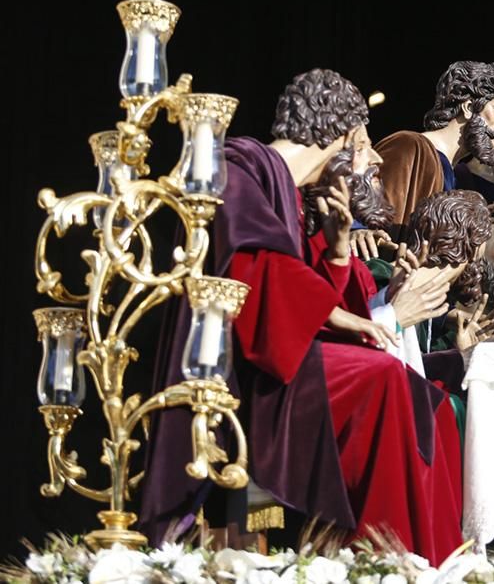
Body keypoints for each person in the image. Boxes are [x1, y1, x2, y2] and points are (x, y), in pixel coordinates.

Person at [141, 69, 465, 562]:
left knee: (430, 406)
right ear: (344, 137)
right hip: (234, 368)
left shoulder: (295, 198)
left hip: (282, 360)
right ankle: (384, 557)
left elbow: (302, 298)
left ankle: (431, 560)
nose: (374, 157)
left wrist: (336, 256)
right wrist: (351, 319)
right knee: (382, 379)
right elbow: (253, 272)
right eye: (365, 143)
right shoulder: (237, 166)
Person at [374, 61, 494, 239]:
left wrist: (464, 227)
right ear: (469, 107)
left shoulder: (452, 174)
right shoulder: (409, 147)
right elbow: (367, 224)